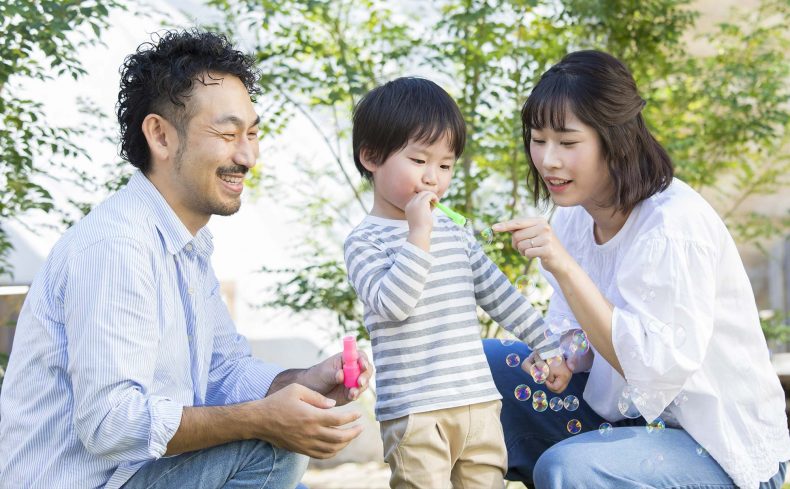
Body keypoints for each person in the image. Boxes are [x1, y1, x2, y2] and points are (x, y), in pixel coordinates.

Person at [0, 29, 372, 489]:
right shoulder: (117, 247)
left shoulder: (186, 247)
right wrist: (262, 420)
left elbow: (225, 372)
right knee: (270, 453)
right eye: (228, 133)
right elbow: (110, 425)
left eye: (252, 134)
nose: (248, 156)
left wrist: (308, 379)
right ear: (160, 135)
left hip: (140, 477)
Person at [485, 49, 790, 488]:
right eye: (538, 139)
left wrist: (563, 265)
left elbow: (652, 371)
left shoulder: (672, 226)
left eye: (568, 143)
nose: (548, 160)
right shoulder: (574, 216)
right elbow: (576, 331)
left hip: (716, 447)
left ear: (616, 139)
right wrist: (563, 356)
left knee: (567, 470)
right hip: (625, 424)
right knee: (485, 364)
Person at [344, 76, 571, 489]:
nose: (434, 178)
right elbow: (394, 305)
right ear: (372, 157)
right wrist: (418, 235)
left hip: (479, 402)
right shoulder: (364, 241)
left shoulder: (452, 231)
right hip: (415, 412)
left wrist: (546, 344)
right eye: (419, 161)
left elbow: (497, 293)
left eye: (445, 165)